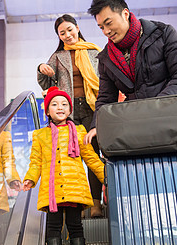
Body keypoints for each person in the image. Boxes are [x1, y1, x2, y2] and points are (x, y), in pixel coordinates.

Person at [84, 0, 177, 144]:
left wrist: (157, 107)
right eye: (101, 27)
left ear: (125, 14)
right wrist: (97, 125)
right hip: (137, 128)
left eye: (109, 23)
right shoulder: (106, 59)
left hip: (172, 121)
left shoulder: (163, 34)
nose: (106, 31)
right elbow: (106, 99)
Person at [22, 87, 104, 245]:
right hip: (53, 192)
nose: (60, 107)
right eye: (55, 104)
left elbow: (91, 158)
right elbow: (35, 162)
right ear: (47, 110)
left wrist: (105, 175)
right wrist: (30, 179)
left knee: (76, 225)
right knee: (53, 226)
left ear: (70, 110)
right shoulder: (40, 135)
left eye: (65, 104)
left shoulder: (80, 131)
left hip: (75, 188)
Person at [37, 14, 104, 217]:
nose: (67, 35)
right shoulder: (57, 57)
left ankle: (95, 204)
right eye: (62, 33)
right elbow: (47, 84)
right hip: (69, 111)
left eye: (69, 30)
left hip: (92, 108)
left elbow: (106, 80)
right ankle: (79, 202)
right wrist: (41, 69)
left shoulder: (94, 51)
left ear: (77, 27)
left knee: (93, 155)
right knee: (72, 158)